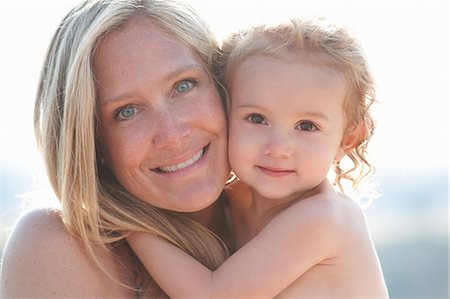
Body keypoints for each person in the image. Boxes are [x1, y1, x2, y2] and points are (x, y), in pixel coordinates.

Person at [127, 18, 389, 298]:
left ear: (348, 139)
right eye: (256, 118)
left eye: (306, 126)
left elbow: (211, 295)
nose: (278, 148)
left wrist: (129, 224)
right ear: (225, 114)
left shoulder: (325, 219)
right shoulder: (229, 202)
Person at [0, 0, 234, 297]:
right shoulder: (58, 248)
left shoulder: (297, 218)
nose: (172, 134)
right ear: (91, 143)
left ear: (222, 84)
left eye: (184, 86)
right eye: (127, 111)